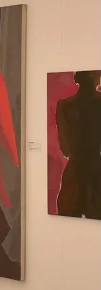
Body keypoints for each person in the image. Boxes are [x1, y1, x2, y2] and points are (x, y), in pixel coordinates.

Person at [55, 71, 101, 218]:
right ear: (95, 78)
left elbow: (65, 150)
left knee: (68, 216)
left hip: (74, 172)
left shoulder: (64, 106)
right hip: (96, 170)